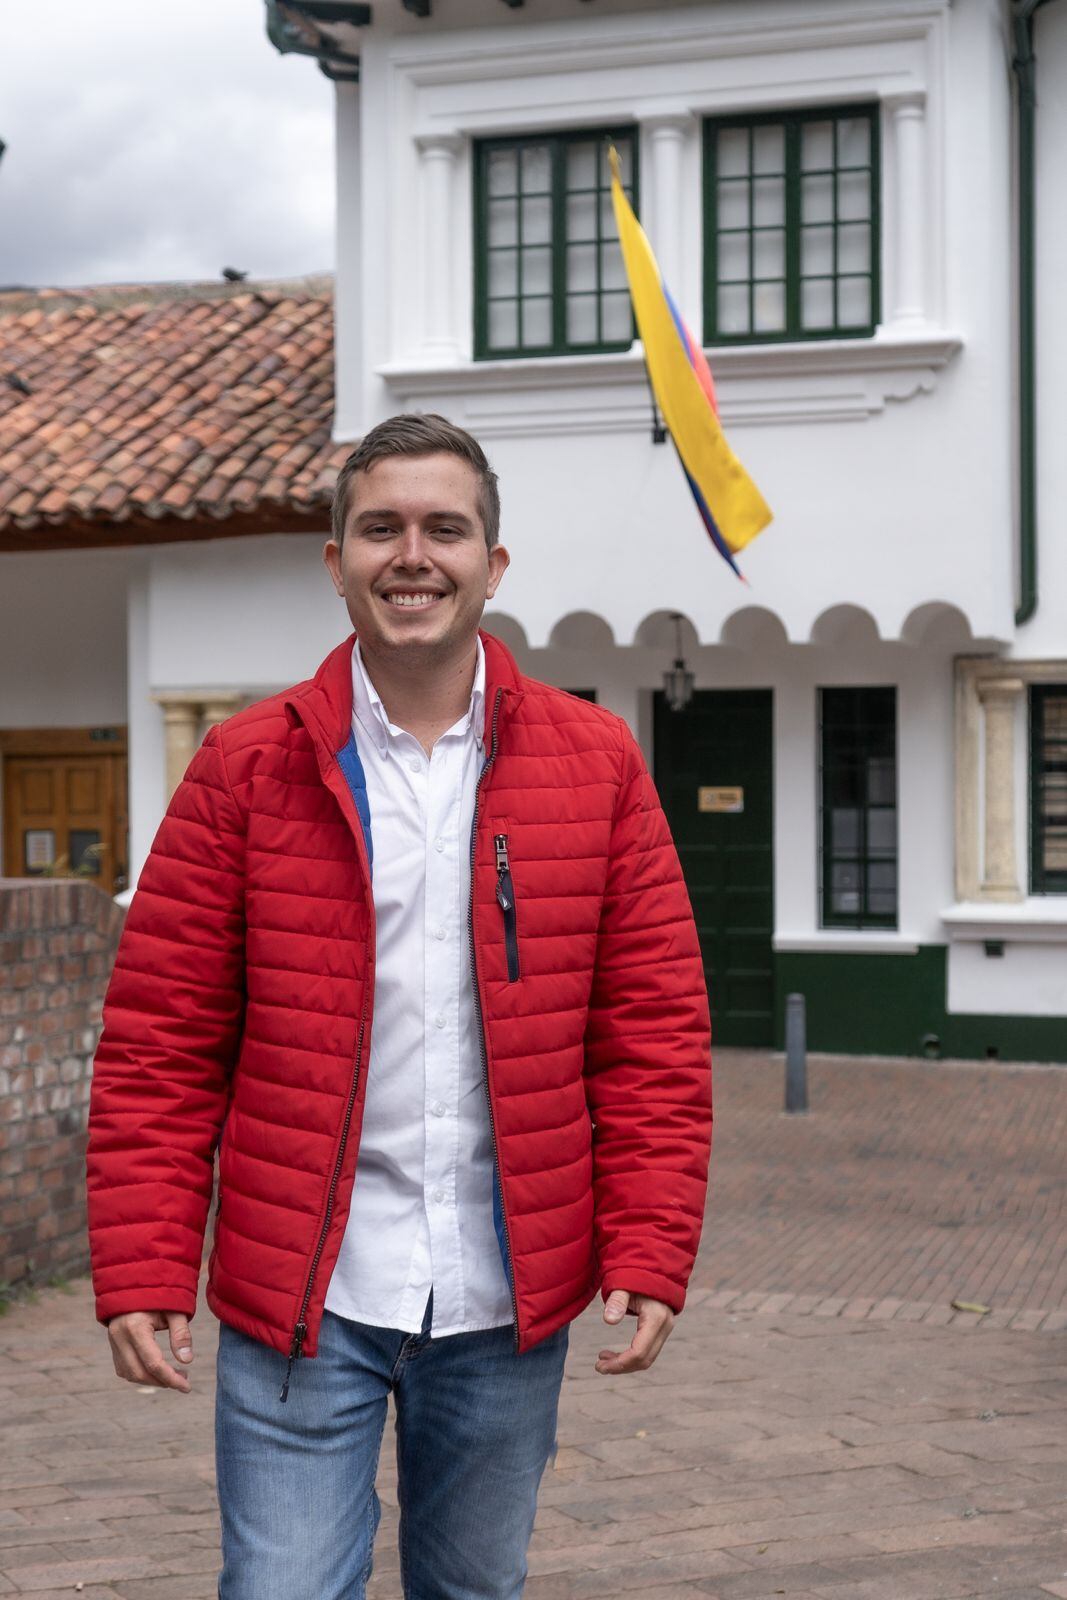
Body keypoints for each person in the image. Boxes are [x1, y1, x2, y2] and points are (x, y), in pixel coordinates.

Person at [86, 412, 712, 1599]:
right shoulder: (242, 767)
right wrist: (142, 1264)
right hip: (301, 1300)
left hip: (502, 1298)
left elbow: (651, 1038)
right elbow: (161, 1044)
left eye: (445, 528)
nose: (411, 555)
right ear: (336, 561)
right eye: (379, 527)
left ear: (493, 563)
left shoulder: (598, 765)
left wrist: (648, 1240)